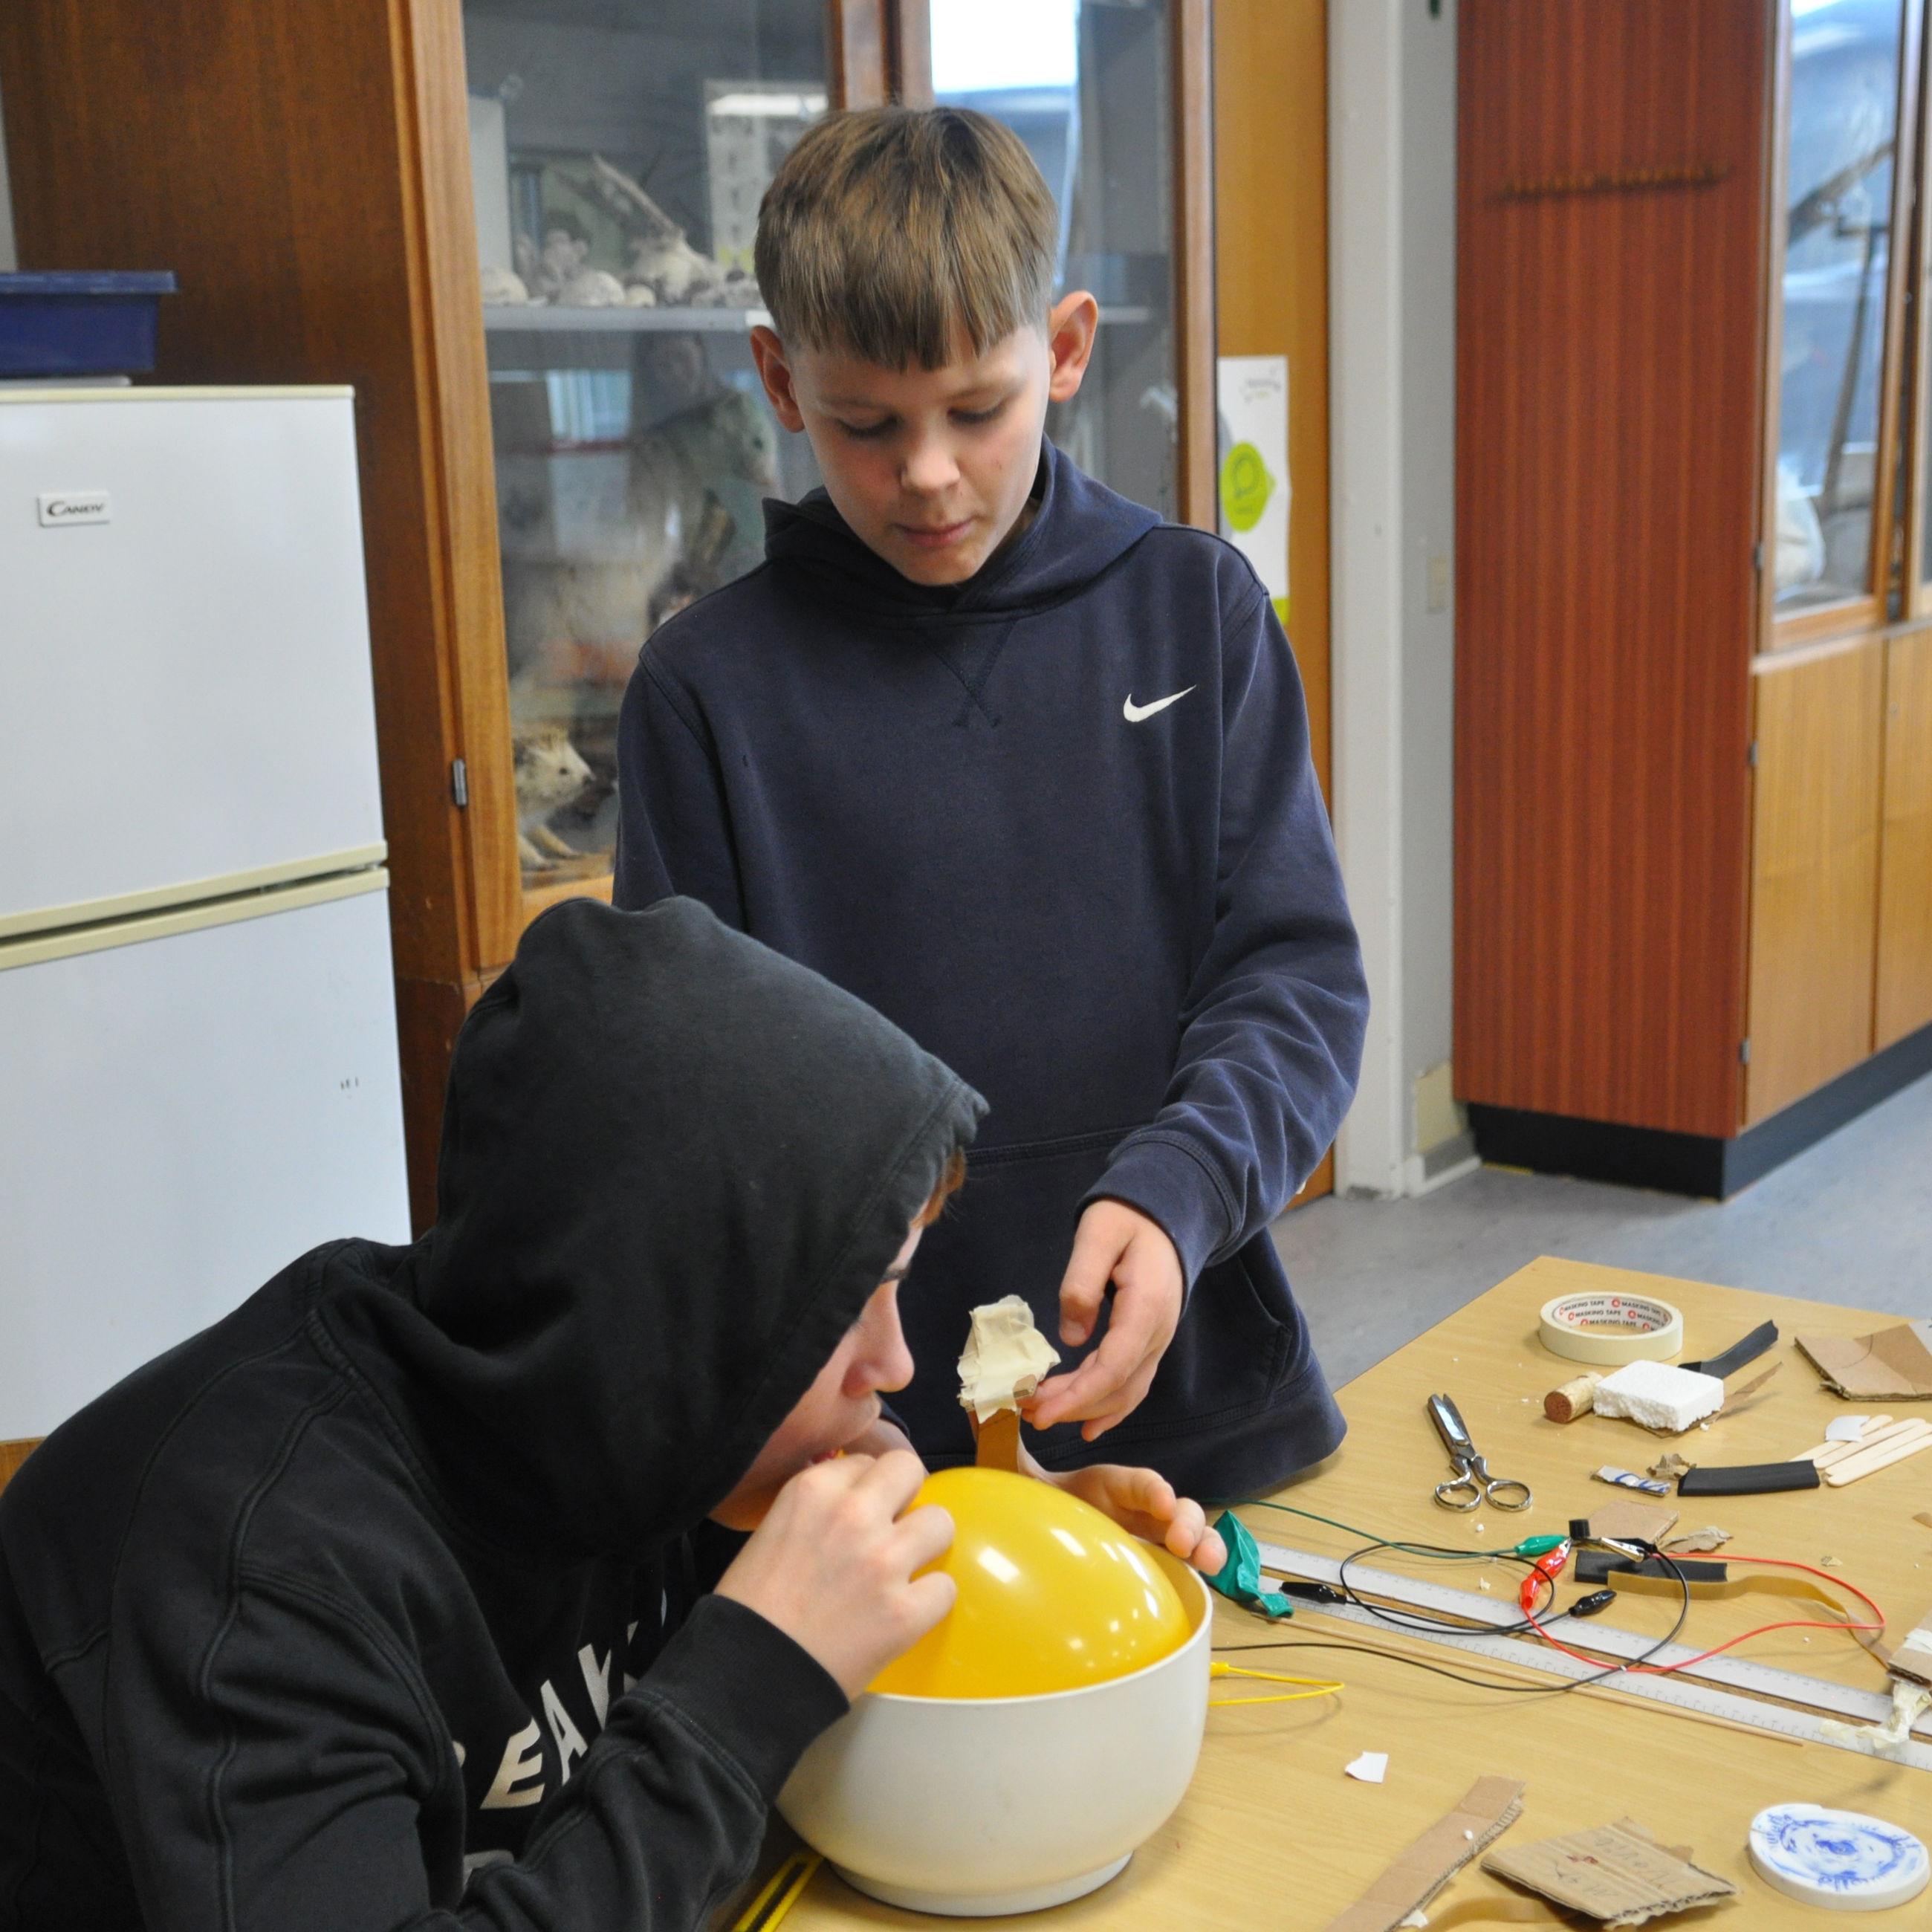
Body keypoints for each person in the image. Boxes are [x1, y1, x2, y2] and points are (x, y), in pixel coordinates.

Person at [0, 898, 1222, 1931]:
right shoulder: (255, 1576)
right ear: (671, 1311)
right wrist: (748, 1687)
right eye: (845, 1307)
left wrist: (997, 1540)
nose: (894, 1364)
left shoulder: (612, 1399)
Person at [613, 106, 1369, 1499]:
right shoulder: (704, 689)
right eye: (866, 424)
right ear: (779, 381)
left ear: (1066, 351)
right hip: (861, 1437)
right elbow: (685, 1108)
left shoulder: (1195, 611)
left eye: (978, 411)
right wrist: (804, 1399)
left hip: (1193, 1401)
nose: (927, 473)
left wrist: (1186, 1185)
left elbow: (1296, 981)